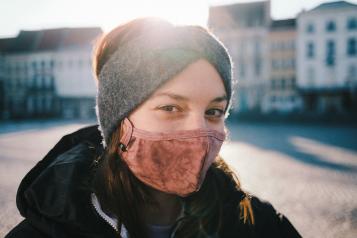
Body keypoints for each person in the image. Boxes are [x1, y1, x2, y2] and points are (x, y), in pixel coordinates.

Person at [6, 17, 301, 238]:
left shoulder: (258, 226)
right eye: (170, 108)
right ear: (118, 120)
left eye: (214, 111)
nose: (197, 131)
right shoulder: (45, 231)